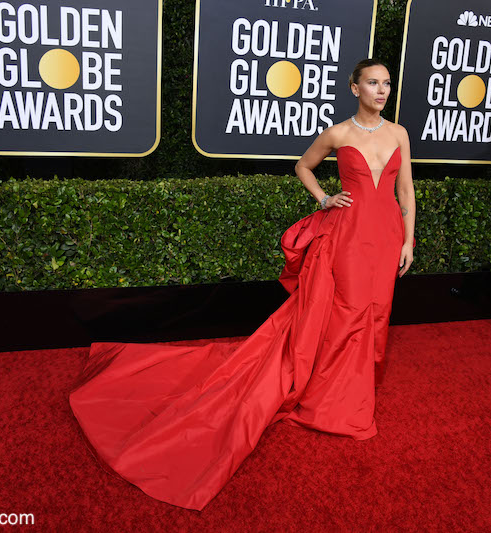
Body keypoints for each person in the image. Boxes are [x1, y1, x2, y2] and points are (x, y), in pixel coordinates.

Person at [69, 58, 415, 510]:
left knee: (377, 310)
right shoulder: (338, 134)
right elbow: (303, 166)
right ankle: (337, 398)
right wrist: (325, 198)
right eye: (373, 82)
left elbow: (406, 188)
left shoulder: (400, 134)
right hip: (347, 235)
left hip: (386, 235)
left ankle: (354, 387)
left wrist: (409, 239)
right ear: (354, 87)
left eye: (386, 83)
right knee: (348, 311)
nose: (382, 90)